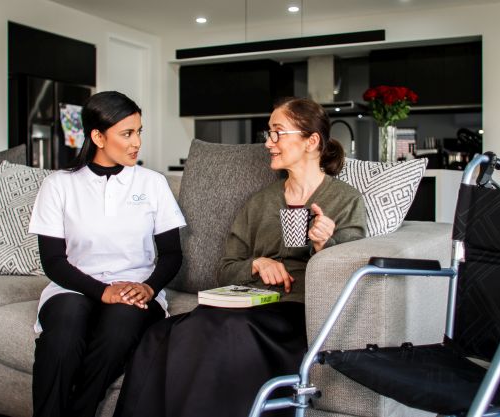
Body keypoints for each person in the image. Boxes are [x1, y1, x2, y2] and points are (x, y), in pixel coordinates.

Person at [113, 97, 367, 417]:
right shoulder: (260, 202)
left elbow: (351, 277)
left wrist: (324, 245)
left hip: (295, 312)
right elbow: (226, 270)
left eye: (277, 133)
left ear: (311, 141)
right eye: (268, 133)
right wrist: (257, 265)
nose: (269, 143)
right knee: (162, 333)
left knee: (227, 331)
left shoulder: (344, 200)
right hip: (247, 302)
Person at [29, 91, 186, 417]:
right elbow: (53, 261)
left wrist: (148, 288)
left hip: (135, 286)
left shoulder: (153, 184)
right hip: (73, 287)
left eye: (139, 131)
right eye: (127, 133)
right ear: (98, 137)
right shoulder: (58, 185)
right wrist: (103, 292)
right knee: (65, 327)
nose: (137, 142)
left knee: (120, 325)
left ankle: (79, 411)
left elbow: (172, 253)